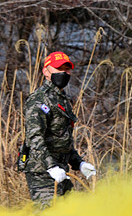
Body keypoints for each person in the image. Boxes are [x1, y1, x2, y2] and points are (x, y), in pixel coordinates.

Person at [20, 51, 96, 206]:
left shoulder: (64, 100)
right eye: (58, 68)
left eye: (67, 69)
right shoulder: (39, 100)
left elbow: (62, 138)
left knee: (70, 215)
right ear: (46, 71)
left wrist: (79, 163)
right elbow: (35, 138)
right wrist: (51, 167)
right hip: (41, 170)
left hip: (61, 168)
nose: (64, 73)